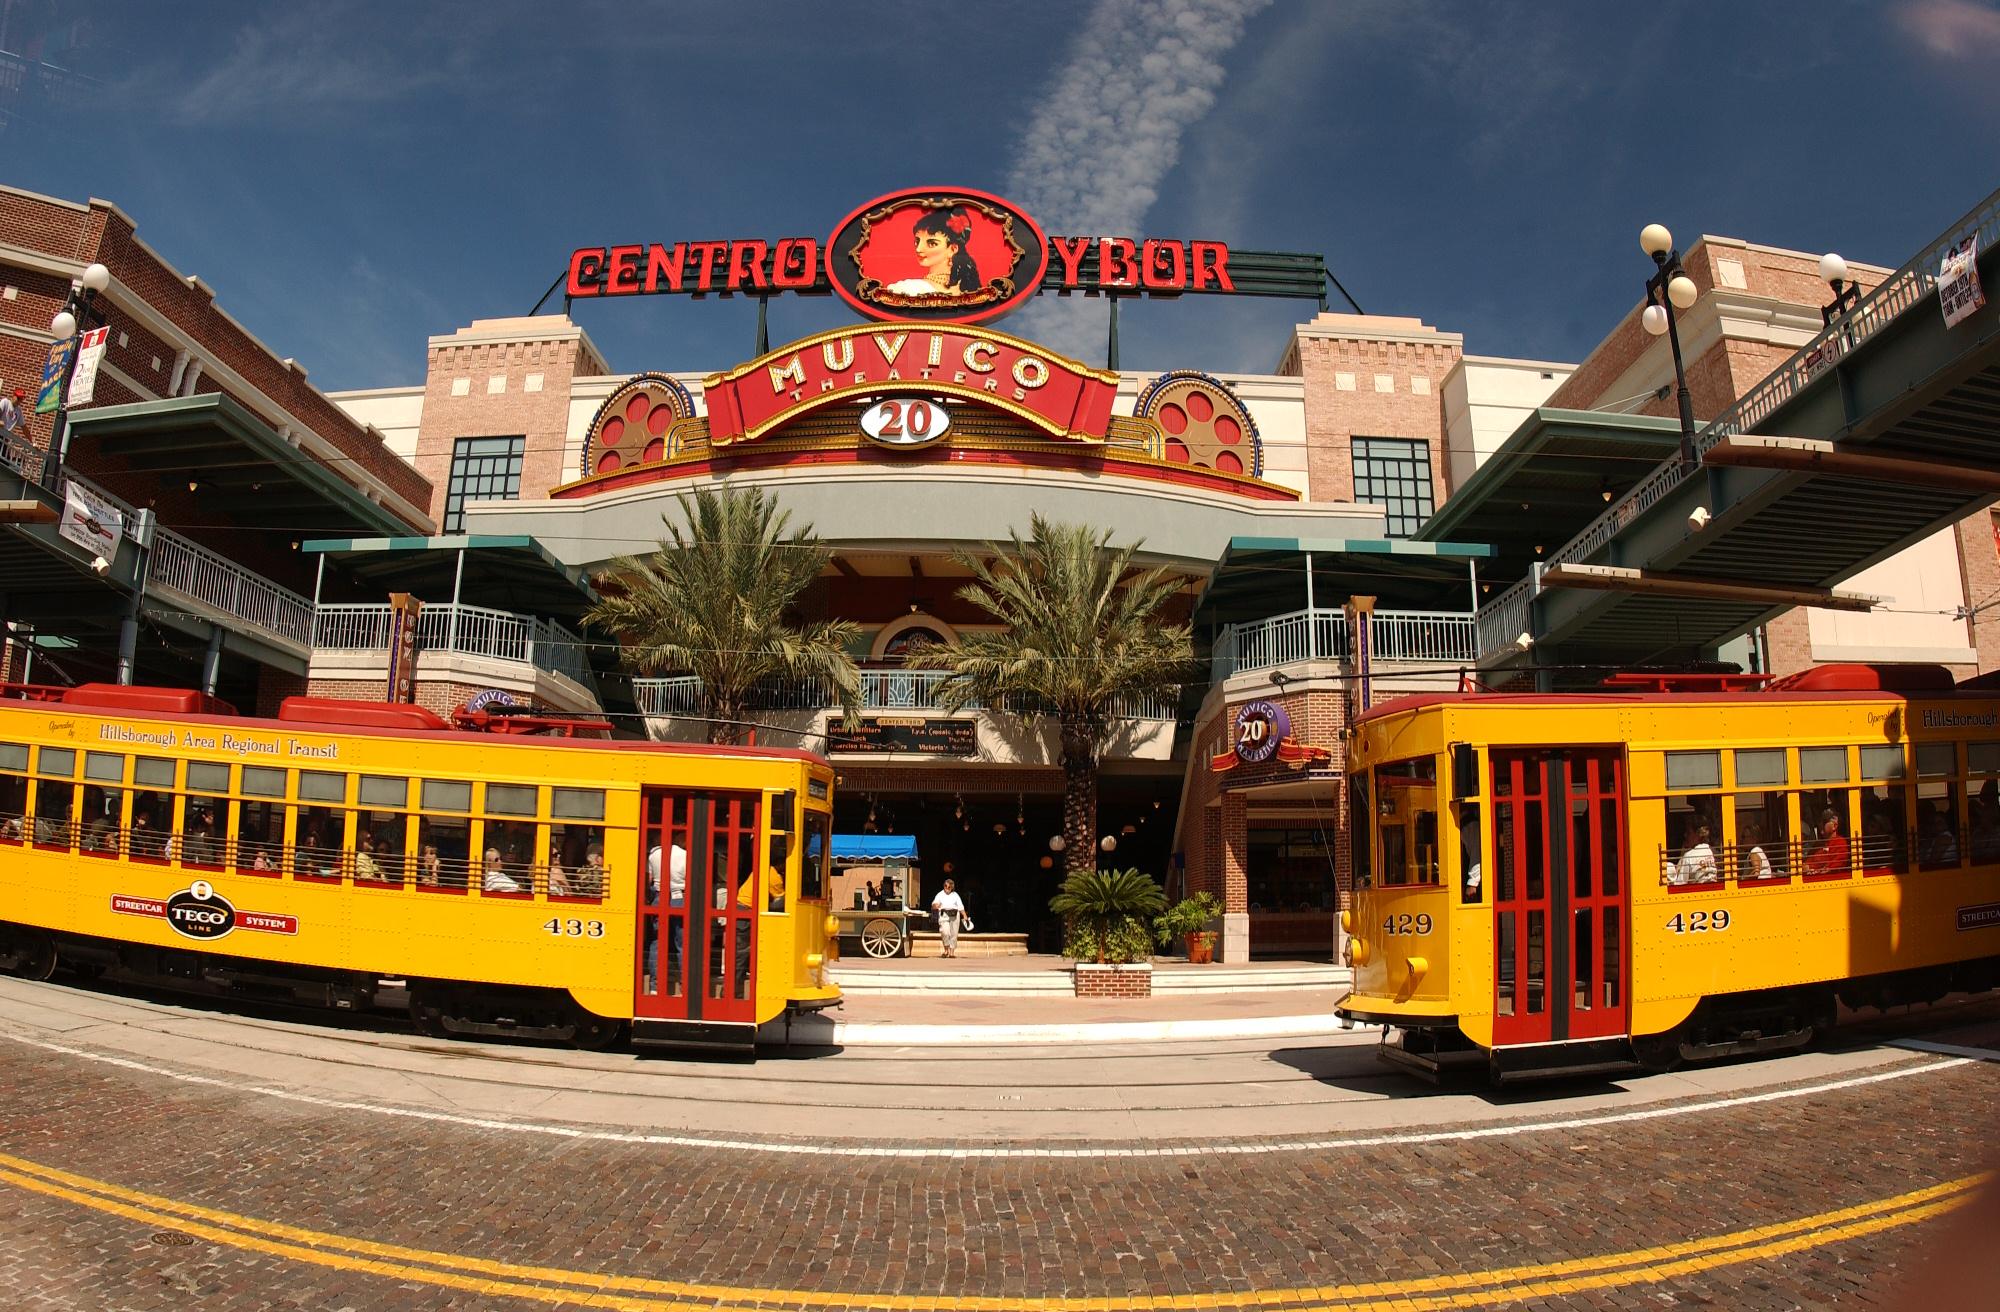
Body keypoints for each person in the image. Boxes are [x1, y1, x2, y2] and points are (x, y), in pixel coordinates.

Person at [884, 206, 981, 297]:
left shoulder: (910, 289)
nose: (918, 249)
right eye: (917, 241)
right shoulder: (908, 288)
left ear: (953, 249)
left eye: (932, 244)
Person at [1804, 807, 1851, 877]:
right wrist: (1807, 868)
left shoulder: (1840, 843)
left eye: (1824, 821)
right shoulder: (1818, 844)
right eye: (1819, 821)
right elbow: (1805, 865)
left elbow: (1834, 867)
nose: (1820, 824)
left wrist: (1817, 871)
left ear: (1835, 826)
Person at [930, 878, 969, 958]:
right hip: (944, 914)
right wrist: (935, 906)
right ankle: (946, 949)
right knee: (945, 932)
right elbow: (933, 904)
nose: (947, 888)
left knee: (954, 934)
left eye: (949, 887)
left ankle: (951, 952)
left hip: (954, 915)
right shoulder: (940, 894)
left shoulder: (955, 895)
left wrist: (965, 916)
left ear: (952, 888)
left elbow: (960, 906)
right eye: (945, 886)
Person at [1672, 819, 1718, 884]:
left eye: (1688, 833)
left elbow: (1680, 883)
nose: (1685, 835)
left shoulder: (1689, 856)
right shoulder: (1714, 852)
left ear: (1698, 834)